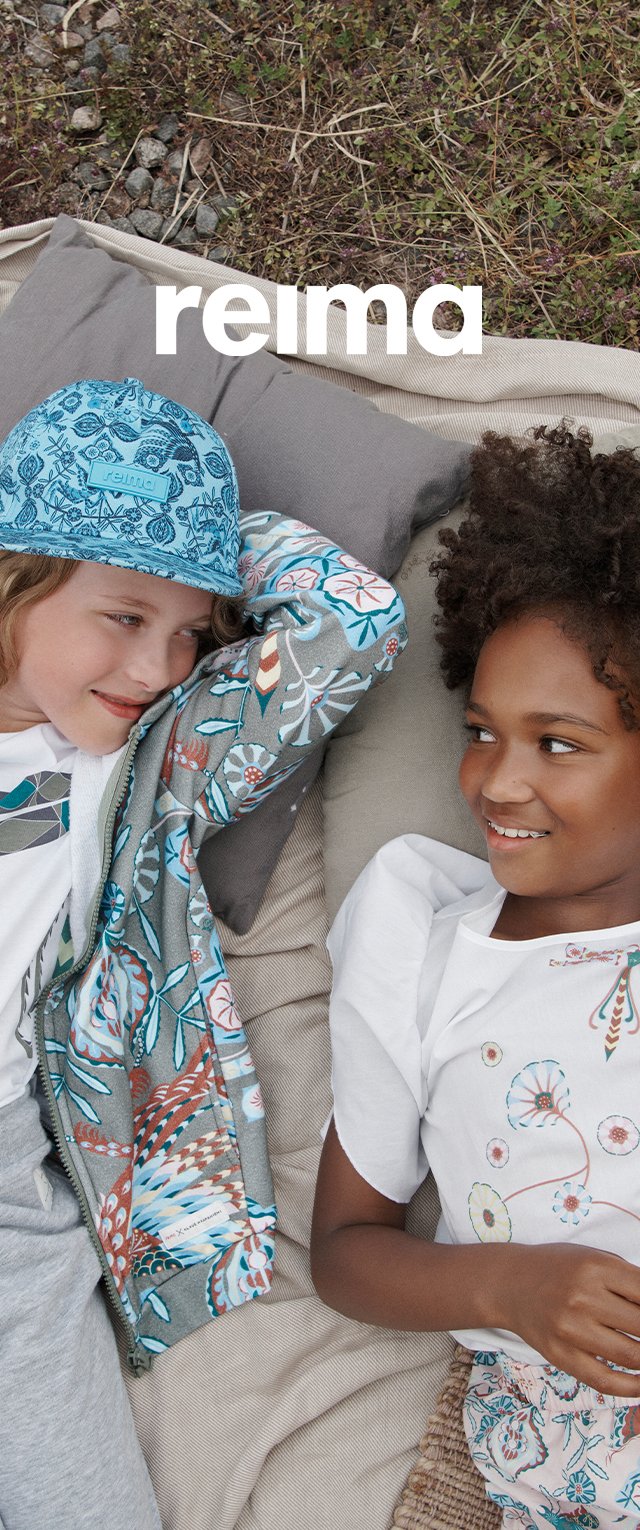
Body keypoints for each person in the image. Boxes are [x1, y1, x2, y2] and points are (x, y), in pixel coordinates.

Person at [0, 374, 406, 1530]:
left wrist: (198, 531)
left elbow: (356, 623)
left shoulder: (147, 766)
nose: (156, 666)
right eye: (123, 617)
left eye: (189, 632)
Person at [310, 424, 640, 1528]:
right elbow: (347, 1252)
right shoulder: (422, 946)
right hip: (569, 1463)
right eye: (480, 731)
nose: (495, 782)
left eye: (559, 743)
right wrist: (512, 1286)